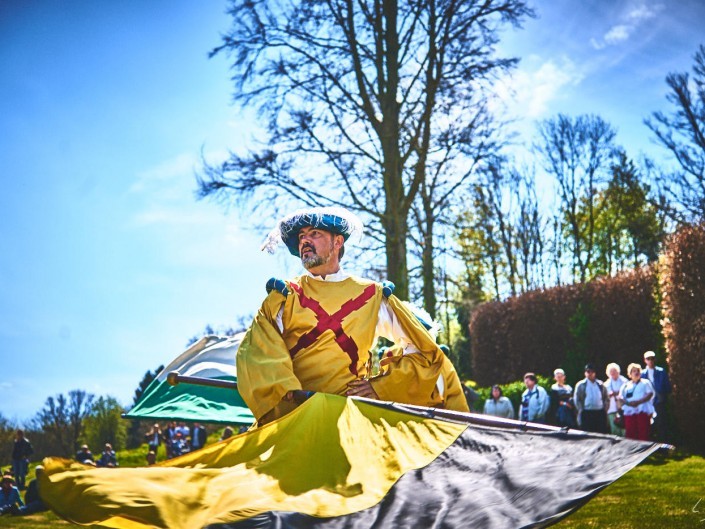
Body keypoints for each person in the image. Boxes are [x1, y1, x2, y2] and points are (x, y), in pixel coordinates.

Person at [237, 207, 468, 425]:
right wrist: (289, 395)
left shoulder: (372, 295)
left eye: (314, 233)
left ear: (338, 242)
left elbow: (424, 349)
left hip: (350, 418)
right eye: (301, 237)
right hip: (295, 418)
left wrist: (382, 387)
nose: (305, 241)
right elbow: (256, 352)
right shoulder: (284, 296)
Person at [619, 363, 655, 441]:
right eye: (634, 371)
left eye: (638, 371)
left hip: (642, 411)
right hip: (629, 412)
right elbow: (621, 397)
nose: (636, 373)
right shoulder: (625, 385)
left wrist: (638, 402)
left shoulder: (645, 382)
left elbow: (650, 394)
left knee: (643, 432)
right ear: (630, 374)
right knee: (631, 433)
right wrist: (628, 403)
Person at [642, 351, 672, 441]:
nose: (650, 360)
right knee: (648, 425)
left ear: (655, 359)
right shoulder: (642, 374)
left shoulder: (661, 371)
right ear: (645, 360)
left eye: (652, 358)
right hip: (647, 403)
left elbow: (667, 387)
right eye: (648, 359)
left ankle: (662, 446)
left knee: (661, 424)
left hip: (659, 402)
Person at [573, 363, 609, 434]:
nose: (590, 373)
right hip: (587, 413)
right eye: (588, 371)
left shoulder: (600, 384)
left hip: (599, 413)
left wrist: (605, 409)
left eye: (592, 371)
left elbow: (606, 398)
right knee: (587, 434)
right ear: (585, 373)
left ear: (594, 373)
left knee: (600, 433)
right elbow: (577, 399)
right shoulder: (580, 385)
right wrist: (581, 410)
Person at [605, 363, 627, 436]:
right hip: (611, 410)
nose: (613, 373)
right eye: (611, 371)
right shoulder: (606, 384)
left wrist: (617, 393)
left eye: (614, 370)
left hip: (623, 410)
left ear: (618, 371)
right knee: (615, 431)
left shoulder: (624, 381)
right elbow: (604, 397)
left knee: (624, 430)